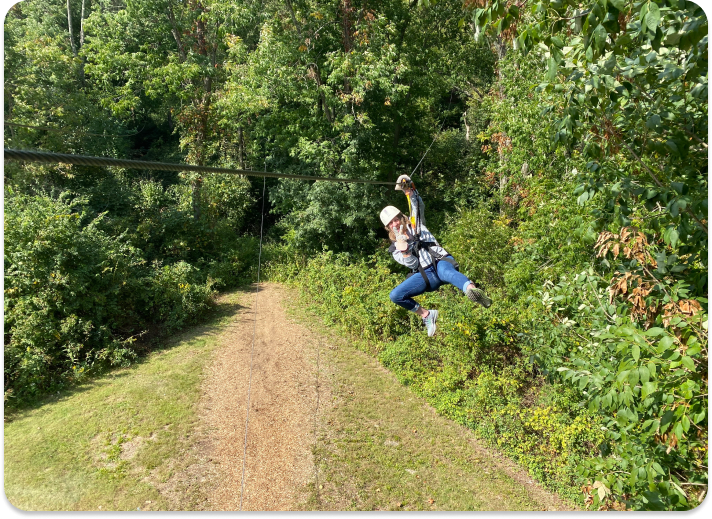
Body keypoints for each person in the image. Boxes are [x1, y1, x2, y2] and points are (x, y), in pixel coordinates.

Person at [380, 205, 492, 337]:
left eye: (396, 220)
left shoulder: (416, 224)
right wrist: (405, 252)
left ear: (401, 217)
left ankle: (471, 290)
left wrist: (409, 191)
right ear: (388, 227)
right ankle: (427, 315)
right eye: (391, 223)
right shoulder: (395, 249)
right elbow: (413, 264)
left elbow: (417, 205)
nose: (395, 224)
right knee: (395, 295)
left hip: (439, 261)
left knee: (447, 273)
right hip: (426, 275)